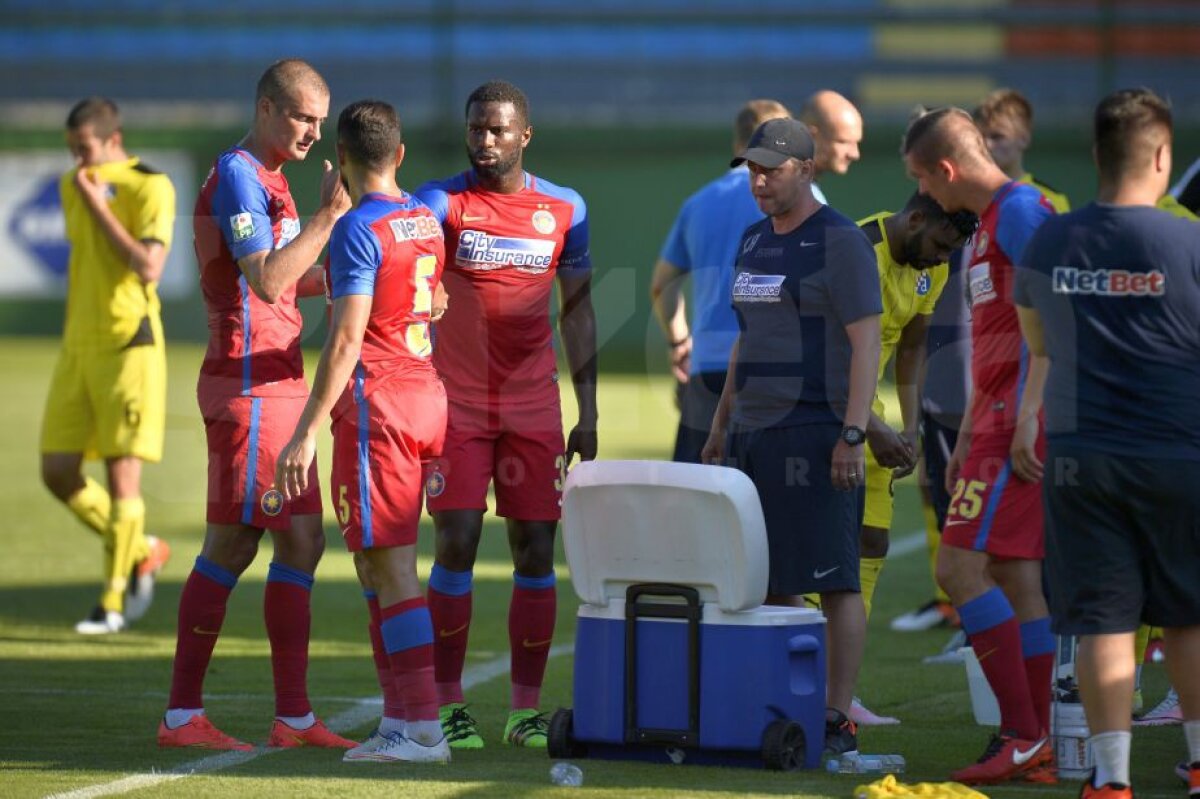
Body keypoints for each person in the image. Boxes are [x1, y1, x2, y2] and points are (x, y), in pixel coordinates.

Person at [158, 59, 355, 751]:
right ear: (267, 108)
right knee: (246, 541)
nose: (313, 131)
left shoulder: (271, 179)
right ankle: (189, 715)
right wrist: (331, 219)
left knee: (287, 539)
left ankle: (287, 717)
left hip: (276, 382)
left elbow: (286, 275)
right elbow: (267, 279)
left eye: (320, 120)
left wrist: (351, 278)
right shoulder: (241, 173)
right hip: (247, 385)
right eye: (303, 116)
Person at [1013, 87, 1200, 799]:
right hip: (1179, 453)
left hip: (1079, 456)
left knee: (1104, 621)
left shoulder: (1050, 239)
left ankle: (1112, 780)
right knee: (1187, 615)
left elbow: (1043, 348)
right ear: (1161, 155)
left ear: (1095, 155)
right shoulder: (1189, 240)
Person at [415, 80, 597, 749]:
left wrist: (590, 409)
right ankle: (446, 702)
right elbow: (406, 253)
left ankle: (524, 709)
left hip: (533, 407)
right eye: (476, 129)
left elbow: (577, 312)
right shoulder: (442, 201)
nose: (485, 141)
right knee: (456, 540)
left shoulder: (565, 208)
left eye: (498, 130)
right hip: (455, 403)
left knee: (535, 550)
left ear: (526, 134)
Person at [275, 99, 452, 765]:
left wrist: (306, 430)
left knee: (392, 565)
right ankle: (400, 720)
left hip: (378, 403)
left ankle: (423, 729)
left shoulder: (356, 229)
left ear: (340, 163)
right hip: (424, 394)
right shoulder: (423, 219)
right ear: (400, 155)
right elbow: (429, 299)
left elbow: (348, 338)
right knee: (376, 566)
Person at [701, 117, 882, 759]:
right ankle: (786, 706)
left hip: (816, 430)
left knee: (835, 583)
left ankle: (836, 715)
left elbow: (867, 344)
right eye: (753, 168)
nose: (759, 180)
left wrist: (853, 435)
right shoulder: (753, 240)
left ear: (807, 170)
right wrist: (721, 427)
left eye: (772, 169)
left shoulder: (840, 241)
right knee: (774, 583)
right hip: (753, 434)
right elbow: (748, 342)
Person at [902, 107, 1057, 785]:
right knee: (1016, 573)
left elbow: (1058, 315)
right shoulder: (990, 224)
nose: (925, 196)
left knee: (958, 568)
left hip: (1019, 418)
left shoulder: (1022, 213)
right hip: (992, 415)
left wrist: (1027, 413)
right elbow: (1001, 339)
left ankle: (1023, 733)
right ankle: (1042, 735)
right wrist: (969, 425)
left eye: (922, 180)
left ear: (945, 169)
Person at [40, 98, 175, 635]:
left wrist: (99, 205)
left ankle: (111, 603)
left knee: (123, 478)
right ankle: (141, 548)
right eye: (72, 150)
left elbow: (149, 266)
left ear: (111, 139)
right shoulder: (72, 184)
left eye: (85, 148)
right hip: (79, 347)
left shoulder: (149, 184)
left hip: (127, 345)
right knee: (57, 472)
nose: (78, 159)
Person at [855, 194, 977, 622]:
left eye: (951, 252)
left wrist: (910, 427)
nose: (942, 259)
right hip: (824, 409)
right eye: (940, 247)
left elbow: (911, 346)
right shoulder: (857, 253)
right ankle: (811, 676)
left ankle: (838, 683)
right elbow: (825, 357)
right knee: (822, 549)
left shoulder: (934, 270)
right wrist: (866, 427)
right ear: (916, 219)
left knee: (873, 541)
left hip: (867, 412)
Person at [650, 99, 790, 463]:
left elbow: (661, 285)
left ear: (736, 144)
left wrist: (678, 341)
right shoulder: (798, 199)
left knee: (698, 495)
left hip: (707, 367)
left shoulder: (697, 203)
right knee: (764, 497)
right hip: (770, 371)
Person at [971, 89, 1071, 214]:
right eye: (980, 137)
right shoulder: (965, 199)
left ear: (1024, 139)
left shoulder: (1051, 200)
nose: (987, 145)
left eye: (997, 136)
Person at [799, 90, 864, 204]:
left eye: (856, 143)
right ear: (812, 136)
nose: (855, 154)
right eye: (843, 142)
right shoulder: (794, 200)